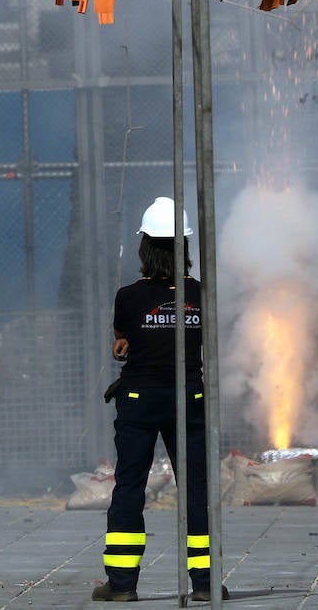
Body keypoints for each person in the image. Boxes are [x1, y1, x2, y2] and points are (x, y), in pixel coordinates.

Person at [92, 197, 228, 604]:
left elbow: (123, 340)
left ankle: (121, 583)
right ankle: (205, 583)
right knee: (196, 486)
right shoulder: (202, 294)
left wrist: (125, 344)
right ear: (185, 248)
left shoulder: (128, 297)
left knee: (130, 484)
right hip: (189, 396)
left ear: (145, 247)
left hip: (138, 399)